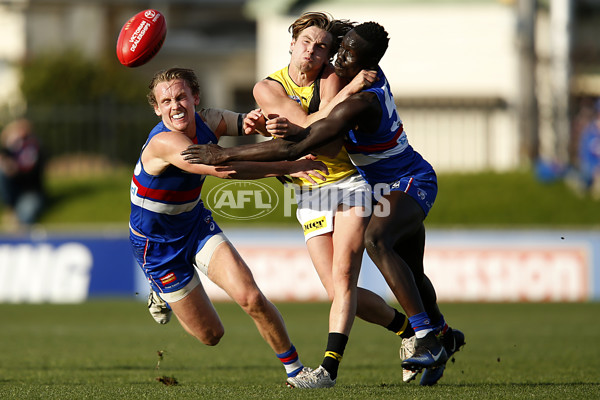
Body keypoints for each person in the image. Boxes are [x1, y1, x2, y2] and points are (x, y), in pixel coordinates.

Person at [182, 22, 465, 387]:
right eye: (336, 48)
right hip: (348, 189)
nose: (334, 56)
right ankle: (441, 334)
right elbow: (300, 140)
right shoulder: (317, 82)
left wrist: (225, 153)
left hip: (404, 182)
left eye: (342, 52)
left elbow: (304, 144)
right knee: (408, 271)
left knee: (375, 242)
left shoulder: (359, 98)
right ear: (293, 44)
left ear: (369, 65)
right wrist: (267, 138)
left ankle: (412, 341)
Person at [242, 12, 418, 388]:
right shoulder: (267, 88)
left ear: (327, 56)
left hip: (348, 185)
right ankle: (409, 332)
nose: (311, 51)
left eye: (321, 46)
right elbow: (306, 128)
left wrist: (342, 91)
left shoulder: (331, 78)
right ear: (291, 44)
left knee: (344, 277)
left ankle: (327, 371)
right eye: (306, 43)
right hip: (308, 194)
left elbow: (328, 138)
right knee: (338, 292)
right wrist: (350, 92)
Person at [129, 67, 328, 382]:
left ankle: (296, 371)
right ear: (156, 109)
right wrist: (291, 165)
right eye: (165, 101)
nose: (175, 105)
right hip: (157, 246)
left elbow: (246, 125)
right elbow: (224, 169)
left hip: (194, 224)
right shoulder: (165, 143)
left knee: (251, 297)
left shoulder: (209, 119)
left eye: (181, 96)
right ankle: (160, 291)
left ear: (195, 97)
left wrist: (257, 121)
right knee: (211, 335)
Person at [0, 118, 46, 229]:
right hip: (16, 191)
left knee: (26, 213)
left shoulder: (34, 146)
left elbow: (31, 171)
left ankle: (20, 232)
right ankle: (10, 208)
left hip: (31, 192)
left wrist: (16, 170)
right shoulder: (13, 147)